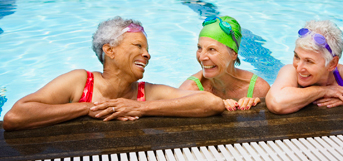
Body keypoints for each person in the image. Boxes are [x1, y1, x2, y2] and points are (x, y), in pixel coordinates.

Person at [3, 16, 225, 131]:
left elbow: (212, 103)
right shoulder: (80, 82)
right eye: (138, 46)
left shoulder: (146, 92)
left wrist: (140, 107)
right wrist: (88, 107)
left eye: (147, 49)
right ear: (109, 50)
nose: (147, 55)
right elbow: (14, 117)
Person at [179, 16, 270, 111]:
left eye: (212, 49)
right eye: (199, 48)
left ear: (233, 54)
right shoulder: (190, 89)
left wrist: (255, 108)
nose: (201, 57)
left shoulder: (258, 89)